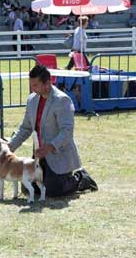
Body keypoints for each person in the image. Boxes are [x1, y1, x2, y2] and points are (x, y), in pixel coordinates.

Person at [8, 65, 97, 197]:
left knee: (53, 190)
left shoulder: (62, 100)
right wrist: (10, 146)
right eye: (31, 85)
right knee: (28, 189)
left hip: (59, 155)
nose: (32, 88)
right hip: (39, 155)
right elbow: (25, 127)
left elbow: (67, 132)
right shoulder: (31, 100)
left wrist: (50, 147)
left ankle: (81, 177)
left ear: (48, 83)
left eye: (36, 85)